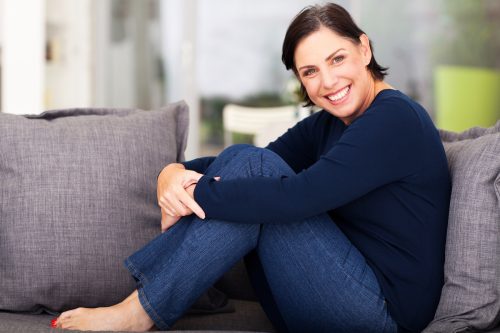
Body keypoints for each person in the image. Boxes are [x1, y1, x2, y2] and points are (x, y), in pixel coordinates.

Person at [54, 3, 450, 333]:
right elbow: (253, 161)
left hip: (381, 313)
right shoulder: (330, 123)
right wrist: (172, 172)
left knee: (257, 170)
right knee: (247, 158)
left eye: (337, 59)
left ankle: (141, 310)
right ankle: (156, 297)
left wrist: (193, 193)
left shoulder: (394, 120)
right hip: (324, 293)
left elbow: (301, 196)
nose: (328, 81)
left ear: (364, 50)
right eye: (310, 72)